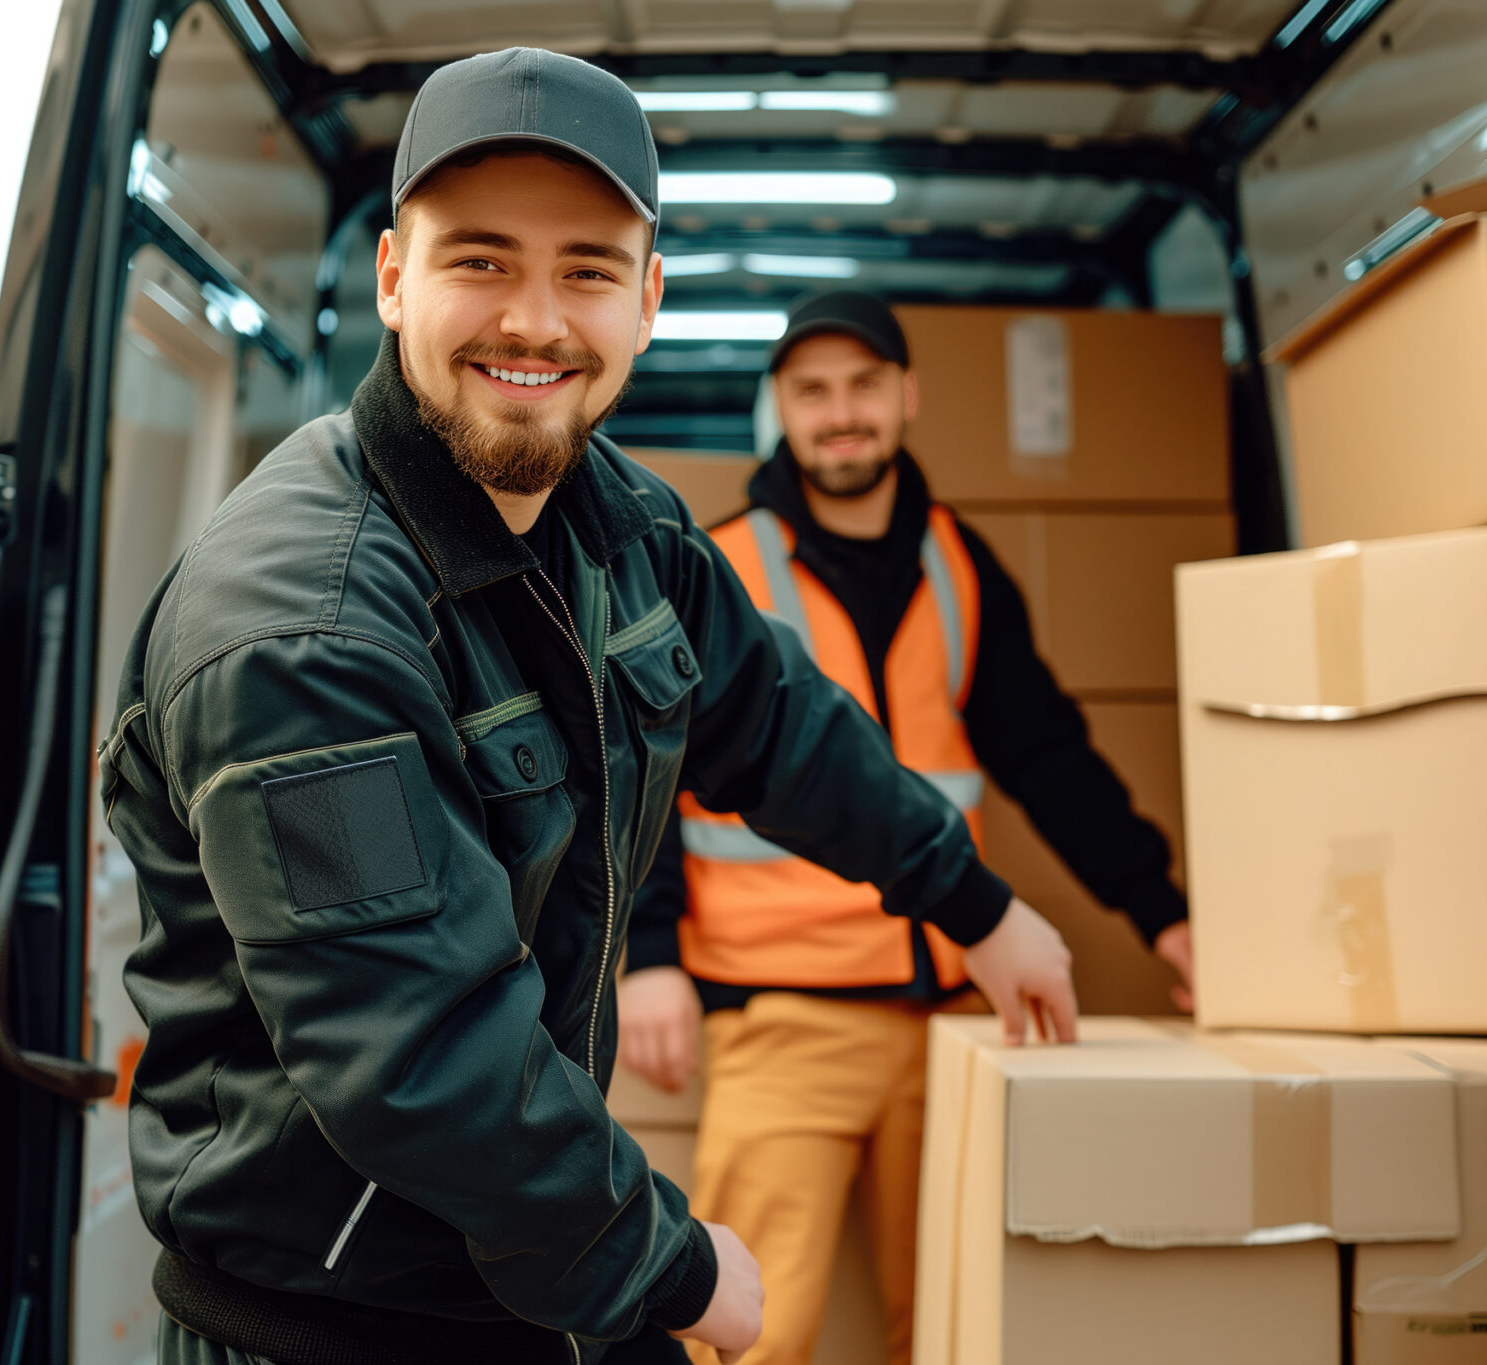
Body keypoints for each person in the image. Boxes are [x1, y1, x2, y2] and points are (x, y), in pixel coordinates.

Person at [101, 50, 1078, 1365]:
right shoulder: (299, 625)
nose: (536, 320)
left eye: (588, 271)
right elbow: (416, 1049)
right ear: (394, 277)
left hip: (516, 1278)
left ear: (649, 301)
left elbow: (780, 721)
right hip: (326, 1324)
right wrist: (666, 1264)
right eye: (482, 261)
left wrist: (976, 904)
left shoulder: (617, 523)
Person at [618, 289, 1195, 1365]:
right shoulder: (723, 566)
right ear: (777, 409)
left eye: (863, 386)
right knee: (748, 1334)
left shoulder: (958, 564)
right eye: (811, 392)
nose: (840, 414)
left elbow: (1048, 760)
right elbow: (642, 772)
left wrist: (1163, 914)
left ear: (906, 396)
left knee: (956, 1325)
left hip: (952, 1018)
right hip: (779, 1018)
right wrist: (646, 957)